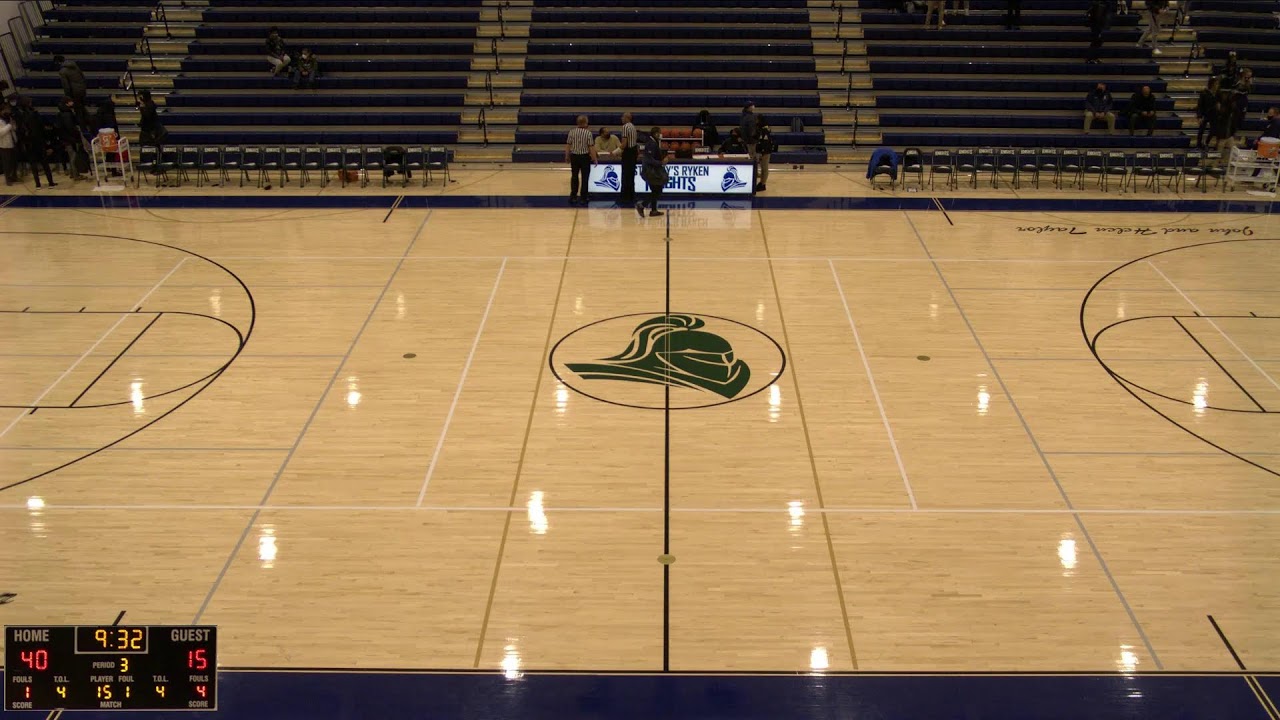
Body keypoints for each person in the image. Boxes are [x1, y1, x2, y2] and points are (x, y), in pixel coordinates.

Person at [15, 96, 55, 188]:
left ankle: (38, 184)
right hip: (38, 141)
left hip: (28, 143)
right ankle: (50, 182)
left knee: (33, 164)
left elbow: (20, 131)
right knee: (44, 163)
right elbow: (41, 128)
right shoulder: (34, 114)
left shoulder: (20, 116)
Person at [564, 114, 596, 205]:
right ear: (585, 123)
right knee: (585, 178)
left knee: (574, 176)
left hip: (574, 156)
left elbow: (568, 145)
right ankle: (583, 197)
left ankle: (573, 196)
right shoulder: (588, 133)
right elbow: (591, 147)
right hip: (584, 157)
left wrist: (567, 156)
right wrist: (594, 158)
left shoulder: (572, 132)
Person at [636, 126, 668, 217]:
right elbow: (649, 159)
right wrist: (661, 162)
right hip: (650, 171)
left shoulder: (654, 142)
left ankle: (653, 210)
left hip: (652, 170)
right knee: (657, 190)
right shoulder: (651, 143)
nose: (661, 134)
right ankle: (642, 205)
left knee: (656, 189)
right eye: (659, 132)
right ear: (656, 133)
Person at [55, 96, 88, 180]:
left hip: (65, 138)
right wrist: (76, 136)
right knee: (73, 157)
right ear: (67, 103)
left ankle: (73, 173)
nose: (72, 103)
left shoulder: (62, 112)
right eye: (71, 101)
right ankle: (75, 174)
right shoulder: (67, 114)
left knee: (71, 156)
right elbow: (70, 127)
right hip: (70, 138)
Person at [56, 56, 89, 123]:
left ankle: (83, 128)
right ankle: (90, 123)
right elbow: (83, 77)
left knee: (78, 111)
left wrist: (68, 97)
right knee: (82, 108)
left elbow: (66, 86)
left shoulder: (62, 71)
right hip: (82, 89)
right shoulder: (75, 66)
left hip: (74, 92)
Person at [619, 111, 638, 204]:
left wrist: (615, 152)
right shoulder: (633, 127)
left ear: (627, 118)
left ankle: (625, 197)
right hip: (633, 152)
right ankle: (631, 196)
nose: (621, 119)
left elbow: (624, 144)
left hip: (628, 152)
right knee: (631, 175)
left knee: (625, 175)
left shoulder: (625, 127)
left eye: (622, 117)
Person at [1195, 77, 1219, 148]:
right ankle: (1198, 144)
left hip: (1214, 114)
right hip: (1205, 113)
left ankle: (1206, 143)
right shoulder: (1204, 93)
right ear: (1212, 84)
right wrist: (1199, 116)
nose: (1217, 85)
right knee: (1201, 130)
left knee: (1213, 130)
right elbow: (1200, 105)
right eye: (1216, 84)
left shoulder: (1217, 93)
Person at [1229, 68, 1252, 140]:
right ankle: (1230, 133)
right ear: (1244, 74)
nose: (1249, 77)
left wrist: (1249, 84)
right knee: (1235, 118)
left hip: (1243, 101)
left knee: (1241, 118)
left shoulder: (1248, 82)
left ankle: (1234, 131)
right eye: (1248, 75)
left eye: (1250, 75)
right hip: (1236, 101)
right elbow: (1233, 90)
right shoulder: (1237, 81)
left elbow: (1249, 91)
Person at [1086, 0, 1111, 64]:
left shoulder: (1100, 4)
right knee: (1096, 42)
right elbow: (1098, 18)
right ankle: (1090, 58)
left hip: (1097, 26)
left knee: (1097, 43)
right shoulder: (1100, 5)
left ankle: (1094, 58)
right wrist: (1100, 30)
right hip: (1097, 27)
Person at [754, 115, 774, 192]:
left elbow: (764, 142)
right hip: (764, 150)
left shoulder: (765, 129)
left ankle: (763, 184)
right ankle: (761, 182)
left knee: (764, 168)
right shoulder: (762, 129)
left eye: (757, 120)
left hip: (765, 151)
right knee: (763, 168)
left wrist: (761, 151)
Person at [0, 105, 16, 185]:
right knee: (6, 163)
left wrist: (13, 125)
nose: (8, 111)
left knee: (12, 162)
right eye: (6, 109)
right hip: (4, 145)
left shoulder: (8, 118)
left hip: (12, 142)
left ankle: (13, 177)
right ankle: (7, 179)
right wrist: (9, 125)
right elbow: (1, 133)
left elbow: (13, 128)